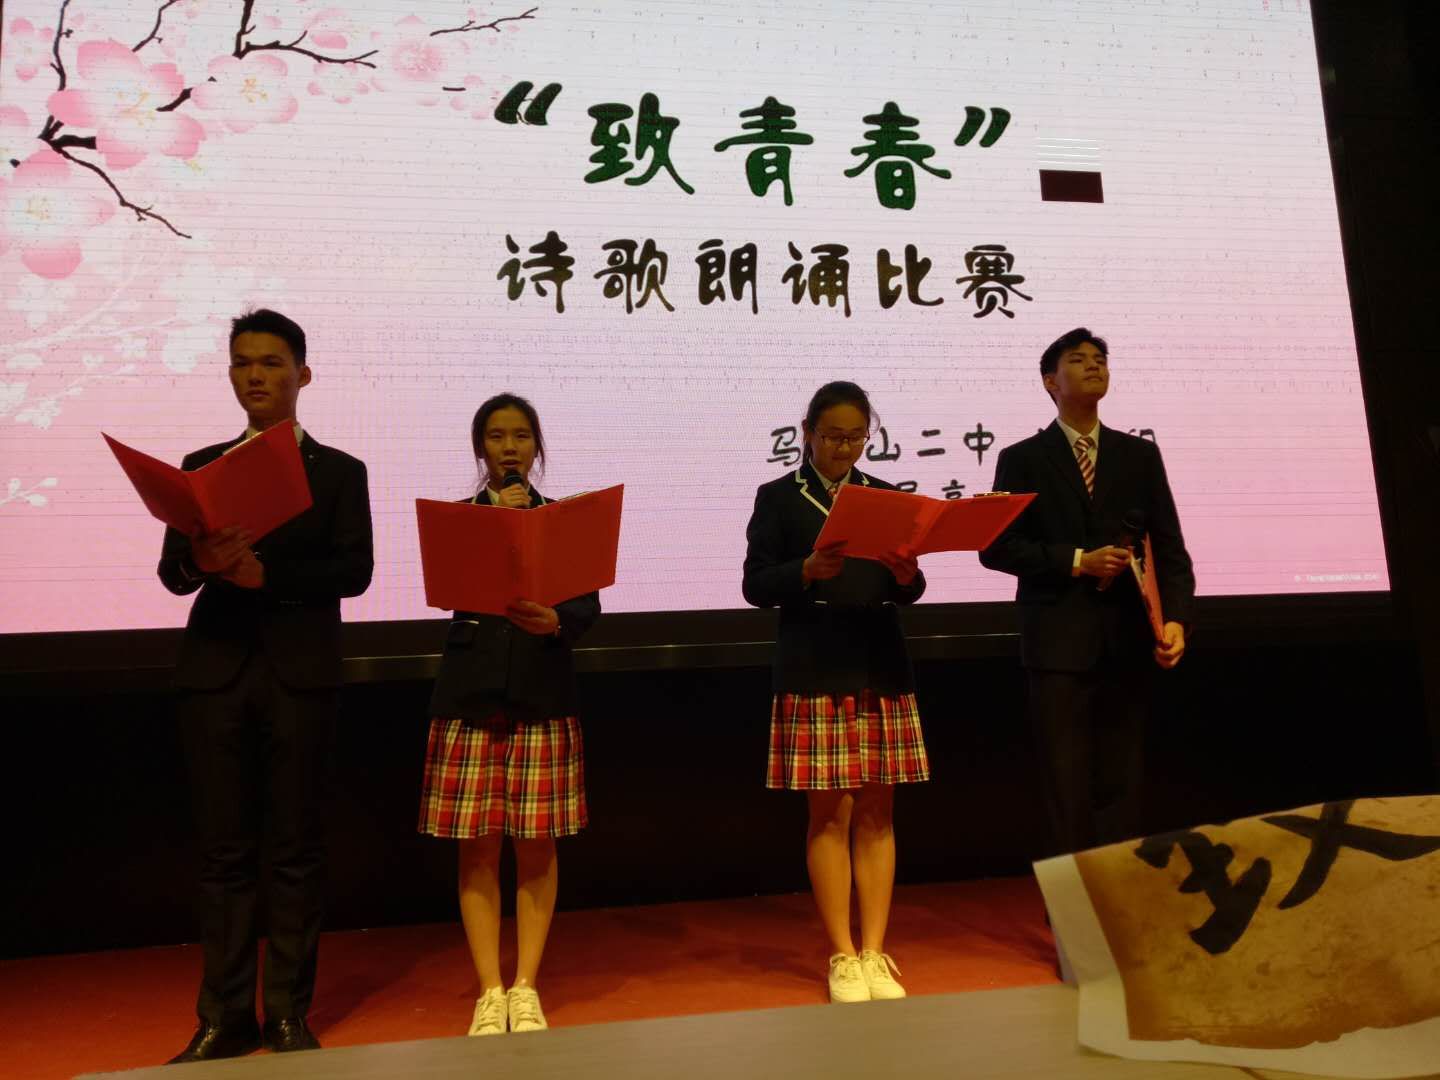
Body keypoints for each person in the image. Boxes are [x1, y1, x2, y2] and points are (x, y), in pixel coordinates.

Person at [158, 309, 374, 1062]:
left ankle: (286, 1013)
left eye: (272, 363)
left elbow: (355, 571)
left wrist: (267, 576)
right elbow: (172, 575)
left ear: (302, 375)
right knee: (222, 854)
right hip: (215, 672)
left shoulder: (340, 471)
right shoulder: (201, 466)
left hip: (300, 672)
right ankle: (222, 1017)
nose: (255, 375)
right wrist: (203, 563)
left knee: (294, 850)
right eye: (243, 363)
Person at [418, 393, 599, 1037]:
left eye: (521, 436)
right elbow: (446, 591)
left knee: (537, 846)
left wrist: (557, 620)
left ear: (536, 446)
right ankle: (489, 991)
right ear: (481, 448)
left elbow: (586, 608)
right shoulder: (461, 519)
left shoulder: (560, 520)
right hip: (470, 695)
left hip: (542, 694)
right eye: (496, 436)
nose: (510, 447)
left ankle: (525, 986)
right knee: (476, 850)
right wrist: (496, 524)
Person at [742, 381, 928, 1005]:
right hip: (815, 666)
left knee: (878, 814)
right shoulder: (778, 497)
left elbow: (910, 588)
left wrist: (906, 574)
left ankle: (875, 950)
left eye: (855, 437)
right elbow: (754, 584)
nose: (845, 448)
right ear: (808, 433)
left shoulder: (883, 496)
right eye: (833, 436)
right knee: (829, 815)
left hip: (879, 664)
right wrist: (804, 570)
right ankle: (842, 954)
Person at [979, 327, 1194, 855]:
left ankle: (1121, 892)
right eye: (1078, 360)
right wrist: (1077, 561)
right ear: (1050, 381)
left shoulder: (1138, 455)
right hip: (1057, 645)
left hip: (1128, 641)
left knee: (1122, 782)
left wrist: (1176, 620)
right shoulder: (1023, 458)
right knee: (1066, 784)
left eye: (1100, 358)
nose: (1095, 365)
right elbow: (997, 548)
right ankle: (1075, 900)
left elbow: (1170, 549)